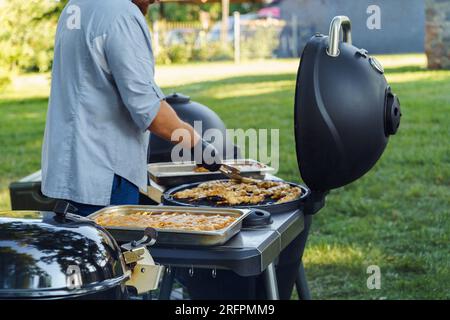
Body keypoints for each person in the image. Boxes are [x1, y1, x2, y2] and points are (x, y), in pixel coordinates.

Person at [41, 0, 220, 216]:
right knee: (115, 248)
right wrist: (198, 144)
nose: (155, 1)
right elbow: (151, 113)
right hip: (106, 175)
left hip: (70, 169)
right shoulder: (121, 14)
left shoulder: (78, 5)